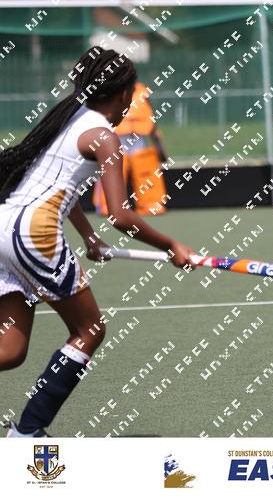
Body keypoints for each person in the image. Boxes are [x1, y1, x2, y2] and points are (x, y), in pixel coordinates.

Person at [0, 47, 193, 437]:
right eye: (131, 96)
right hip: (33, 236)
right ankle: (28, 432)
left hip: (3, 225)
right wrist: (170, 245)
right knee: (89, 329)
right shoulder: (105, 137)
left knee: (10, 350)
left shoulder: (66, 119)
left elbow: (57, 187)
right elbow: (120, 215)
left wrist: (89, 237)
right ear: (122, 94)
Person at [92, 81, 169, 216]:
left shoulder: (141, 91)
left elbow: (150, 117)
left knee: (145, 171)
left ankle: (151, 203)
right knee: (113, 171)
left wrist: (157, 141)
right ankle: (107, 205)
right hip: (115, 138)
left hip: (139, 138)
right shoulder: (108, 91)